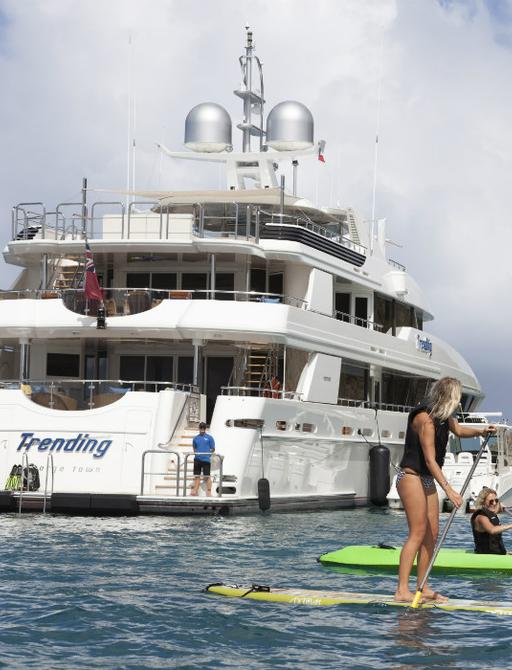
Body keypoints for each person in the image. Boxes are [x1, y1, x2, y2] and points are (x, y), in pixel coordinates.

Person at [394, 377, 496, 603]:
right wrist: (449, 490)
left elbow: (458, 430)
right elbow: (430, 460)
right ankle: (402, 590)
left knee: (432, 534)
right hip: (410, 477)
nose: (459, 403)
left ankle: (424, 586)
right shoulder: (426, 420)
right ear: (449, 397)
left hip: (427, 480)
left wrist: (481, 432)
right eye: (458, 397)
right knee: (418, 533)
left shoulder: (444, 418)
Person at [471, 487, 512, 554]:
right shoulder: (481, 517)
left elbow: (497, 508)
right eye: (491, 501)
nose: (494, 503)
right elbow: (492, 530)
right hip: (486, 556)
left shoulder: (491, 513)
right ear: (483, 502)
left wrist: (501, 506)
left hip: (497, 554)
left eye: (496, 500)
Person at [190, 422, 215, 497]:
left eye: (203, 428)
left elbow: (213, 448)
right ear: (199, 428)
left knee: (207, 477)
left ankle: (209, 492)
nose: (202, 429)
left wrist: (207, 453)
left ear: (205, 428)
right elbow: (194, 447)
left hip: (206, 459)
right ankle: (195, 491)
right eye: (201, 427)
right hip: (197, 459)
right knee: (197, 476)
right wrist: (197, 453)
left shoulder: (209, 437)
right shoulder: (195, 438)